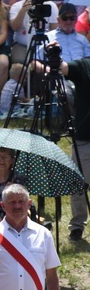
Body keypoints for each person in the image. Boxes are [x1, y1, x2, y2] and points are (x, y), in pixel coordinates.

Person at [58, 50, 90, 241]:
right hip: (84, 139)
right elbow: (64, 68)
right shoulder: (84, 65)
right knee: (78, 184)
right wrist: (55, 55)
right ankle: (77, 226)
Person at [9, 0, 58, 65]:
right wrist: (23, 10)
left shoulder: (50, 6)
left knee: (47, 64)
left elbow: (54, 29)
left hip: (44, 45)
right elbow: (15, 27)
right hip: (23, 45)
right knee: (19, 64)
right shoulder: (17, 6)